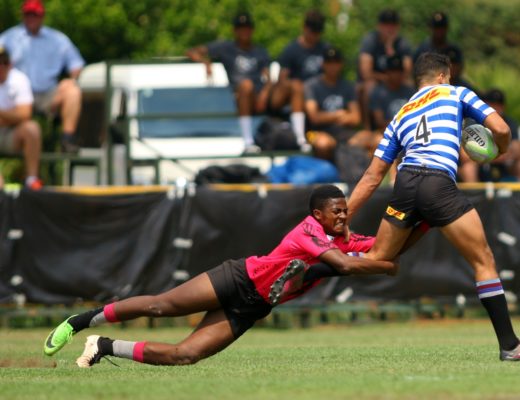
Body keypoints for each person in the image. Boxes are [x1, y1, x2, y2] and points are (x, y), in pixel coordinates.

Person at [43, 185, 398, 367]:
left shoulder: (344, 240)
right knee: (160, 306)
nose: (343, 216)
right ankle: (81, 321)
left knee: (184, 356)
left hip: (252, 307)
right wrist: (385, 266)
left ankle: (104, 346)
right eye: (337, 211)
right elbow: (348, 266)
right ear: (318, 214)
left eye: (345, 211)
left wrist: (421, 220)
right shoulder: (308, 230)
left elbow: (384, 246)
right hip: (239, 278)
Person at [341, 52, 520, 361]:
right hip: (438, 185)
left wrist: (343, 219)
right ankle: (510, 346)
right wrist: (498, 151)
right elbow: (502, 130)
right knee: (483, 260)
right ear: (441, 76)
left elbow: (372, 176)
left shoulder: (401, 114)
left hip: (406, 184)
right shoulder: (456, 93)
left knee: (378, 258)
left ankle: (315, 263)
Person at [0, 0, 85, 153]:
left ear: (42, 16)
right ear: (22, 16)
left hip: (47, 94)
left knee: (72, 89)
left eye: (35, 15)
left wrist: (72, 79)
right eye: (28, 14)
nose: (31, 18)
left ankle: (67, 139)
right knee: (29, 128)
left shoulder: (58, 39)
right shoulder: (8, 38)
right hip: (15, 95)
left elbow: (76, 64)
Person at [186, 12, 271, 153]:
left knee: (295, 85)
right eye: (240, 28)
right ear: (234, 31)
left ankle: (298, 139)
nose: (244, 32)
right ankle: (248, 141)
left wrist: (265, 94)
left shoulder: (260, 51)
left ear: (252, 30)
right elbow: (192, 51)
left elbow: (268, 77)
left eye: (247, 28)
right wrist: (205, 62)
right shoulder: (225, 48)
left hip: (260, 96)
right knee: (246, 85)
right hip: (239, 96)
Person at [268, 9, 329, 149]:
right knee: (297, 86)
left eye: (317, 31)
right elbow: (282, 80)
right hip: (297, 99)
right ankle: (299, 137)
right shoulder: (291, 50)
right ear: (304, 27)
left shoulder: (325, 49)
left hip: (319, 97)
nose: (314, 35)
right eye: (312, 30)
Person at [357, 9, 413, 128]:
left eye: (393, 25)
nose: (389, 28)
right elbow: (365, 72)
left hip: (397, 79)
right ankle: (368, 127)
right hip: (377, 80)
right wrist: (387, 77)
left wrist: (391, 50)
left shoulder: (402, 43)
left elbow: (407, 71)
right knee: (368, 87)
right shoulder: (370, 41)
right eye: (386, 24)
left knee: (411, 85)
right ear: (379, 26)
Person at [304, 47, 361, 160]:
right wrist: (338, 115)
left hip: (344, 131)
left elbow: (356, 118)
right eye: (329, 63)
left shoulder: (348, 86)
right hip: (317, 132)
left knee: (376, 140)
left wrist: (327, 117)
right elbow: (314, 117)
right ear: (323, 64)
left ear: (341, 64)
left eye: (336, 62)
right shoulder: (311, 85)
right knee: (323, 144)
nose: (333, 66)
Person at [0, 47, 42, 190]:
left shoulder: (19, 79)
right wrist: (13, 115)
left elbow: (25, 114)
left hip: (12, 135)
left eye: (4, 62)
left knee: (31, 128)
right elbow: (19, 114)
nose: (1, 66)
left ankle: (32, 180)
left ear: (10, 64)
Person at [474, 89, 520, 182]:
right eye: (490, 104)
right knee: (468, 166)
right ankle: (471, 190)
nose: (493, 108)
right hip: (480, 163)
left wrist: (494, 155)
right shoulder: (476, 122)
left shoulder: (510, 123)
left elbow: (516, 149)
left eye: (497, 105)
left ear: (503, 107)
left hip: (505, 165)